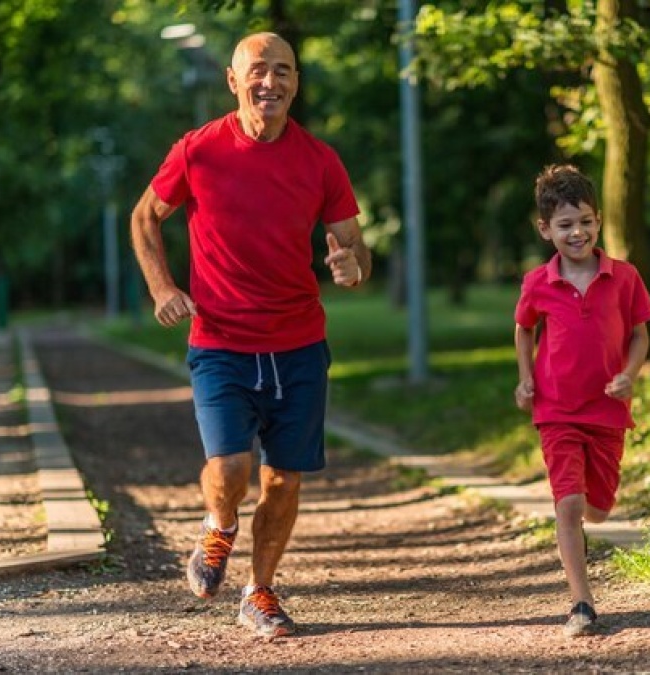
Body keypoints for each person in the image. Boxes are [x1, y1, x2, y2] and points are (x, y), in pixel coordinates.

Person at [129, 31, 370, 638]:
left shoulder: (321, 160)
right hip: (221, 343)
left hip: (299, 344)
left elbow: (355, 248)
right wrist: (162, 288)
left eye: (283, 70)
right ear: (234, 81)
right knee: (232, 469)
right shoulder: (199, 150)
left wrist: (352, 265)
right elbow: (143, 217)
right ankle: (218, 526)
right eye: (258, 70)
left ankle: (260, 592)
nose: (272, 81)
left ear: (295, 83)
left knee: (283, 478)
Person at [513, 164, 650, 638]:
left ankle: (587, 516)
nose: (577, 232)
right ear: (545, 229)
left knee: (599, 506)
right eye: (565, 224)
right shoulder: (537, 282)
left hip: (607, 412)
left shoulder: (624, 276)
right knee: (569, 505)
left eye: (586, 222)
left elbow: (639, 335)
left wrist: (627, 375)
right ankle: (581, 603)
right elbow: (523, 328)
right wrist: (525, 379)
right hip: (555, 410)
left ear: (598, 221)